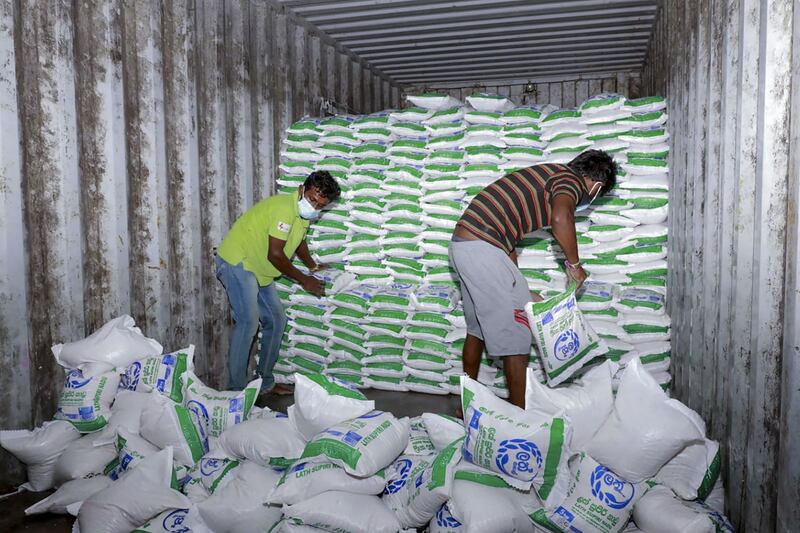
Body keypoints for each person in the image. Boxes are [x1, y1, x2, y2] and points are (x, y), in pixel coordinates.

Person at [449, 150, 618, 408]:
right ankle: (520, 415)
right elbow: (561, 217)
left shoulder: (549, 175)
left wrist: (518, 288)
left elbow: (507, 243)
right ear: (596, 186)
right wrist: (574, 265)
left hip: (465, 245)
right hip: (483, 246)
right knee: (517, 331)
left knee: (477, 331)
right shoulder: (568, 180)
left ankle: (465, 406)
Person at [215, 171, 341, 396]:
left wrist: (312, 266)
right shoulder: (285, 208)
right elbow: (276, 254)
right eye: (312, 199)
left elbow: (299, 241)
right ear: (302, 189)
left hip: (259, 268)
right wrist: (305, 280)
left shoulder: (302, 215)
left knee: (277, 319)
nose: (314, 207)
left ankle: (264, 383)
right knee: (248, 323)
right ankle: (235, 392)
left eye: (321, 205)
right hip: (238, 261)